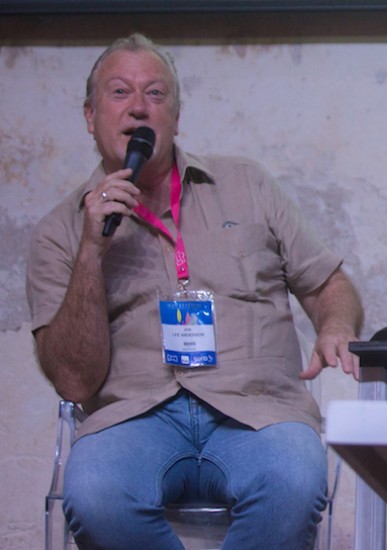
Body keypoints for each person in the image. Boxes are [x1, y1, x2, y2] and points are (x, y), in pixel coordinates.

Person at [26, 34, 364, 549]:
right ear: (90, 116)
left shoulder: (247, 183)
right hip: (135, 418)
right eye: (120, 93)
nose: (139, 107)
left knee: (294, 481)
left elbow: (327, 282)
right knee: (95, 493)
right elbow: (73, 381)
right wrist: (92, 252)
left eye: (156, 94)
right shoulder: (59, 233)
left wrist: (337, 325)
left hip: (257, 413)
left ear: (176, 118)